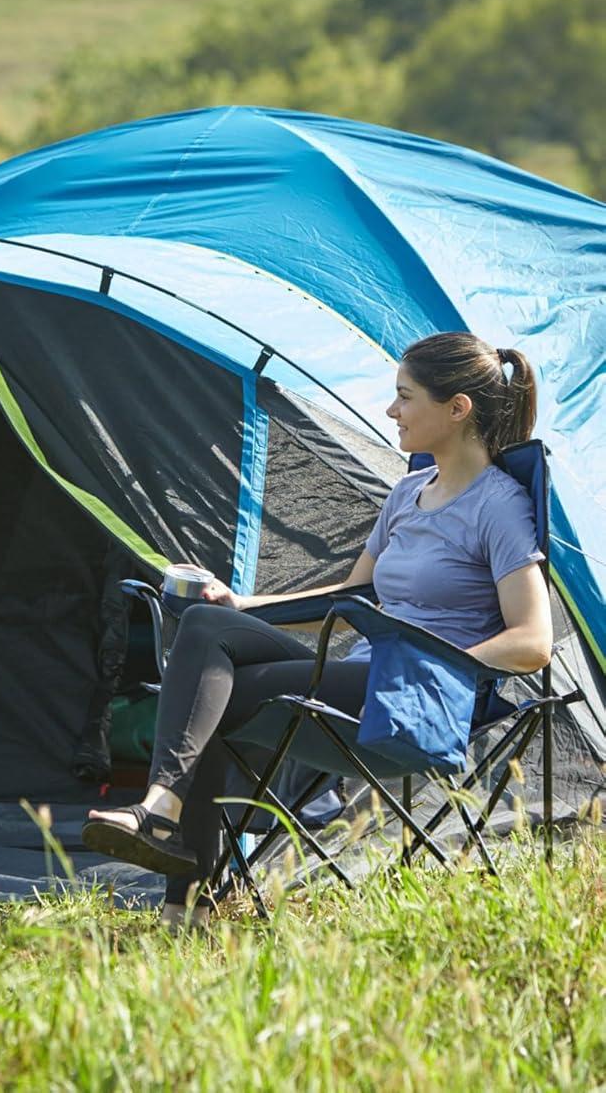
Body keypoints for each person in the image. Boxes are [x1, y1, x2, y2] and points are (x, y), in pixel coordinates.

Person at [81, 332, 554, 928]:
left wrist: (429, 659)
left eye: (405, 398)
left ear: (457, 408)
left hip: (416, 696)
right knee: (206, 625)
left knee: (214, 698)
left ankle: (183, 897)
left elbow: (533, 641)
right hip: (363, 668)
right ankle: (164, 815)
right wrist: (245, 603)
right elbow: (354, 596)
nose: (390, 411)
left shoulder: (499, 506)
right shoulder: (409, 492)